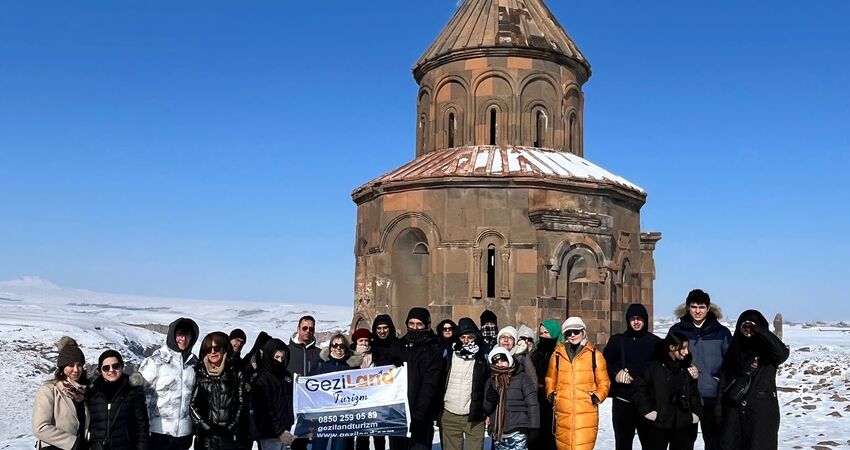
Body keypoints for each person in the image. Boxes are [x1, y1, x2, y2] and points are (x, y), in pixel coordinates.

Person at [717, 310, 789, 450]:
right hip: (733, 412)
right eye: (745, 327)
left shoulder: (769, 353)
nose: (748, 331)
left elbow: (782, 353)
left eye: (752, 327)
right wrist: (718, 412)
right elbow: (723, 382)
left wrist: (758, 330)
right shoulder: (734, 351)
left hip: (761, 413)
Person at [668, 289, 731, 450]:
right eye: (694, 306)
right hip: (685, 397)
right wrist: (683, 371)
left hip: (713, 398)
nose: (697, 311)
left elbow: (730, 364)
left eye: (701, 307)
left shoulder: (722, 333)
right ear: (687, 307)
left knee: (714, 443)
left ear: (708, 308)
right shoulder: (677, 331)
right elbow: (668, 360)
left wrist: (718, 380)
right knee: (682, 443)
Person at [603, 303, 662, 450]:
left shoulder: (655, 343)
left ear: (645, 320)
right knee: (623, 444)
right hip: (624, 401)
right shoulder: (617, 341)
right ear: (628, 320)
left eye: (640, 318)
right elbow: (603, 364)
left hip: (647, 402)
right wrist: (616, 374)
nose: (636, 322)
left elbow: (665, 367)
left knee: (651, 444)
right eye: (633, 318)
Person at [545, 317, 610, 450]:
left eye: (576, 331)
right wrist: (551, 393)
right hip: (563, 412)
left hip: (586, 413)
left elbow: (604, 381)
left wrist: (597, 396)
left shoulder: (595, 355)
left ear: (583, 332)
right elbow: (550, 378)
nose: (573, 335)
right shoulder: (557, 355)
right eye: (569, 333)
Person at [388, 307, 446, 450]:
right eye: (411, 324)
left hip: (421, 415)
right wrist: (390, 363)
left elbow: (430, 385)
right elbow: (384, 375)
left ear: (426, 325)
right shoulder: (398, 346)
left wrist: (419, 414)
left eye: (419, 324)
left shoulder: (433, 349)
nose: (415, 328)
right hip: (398, 413)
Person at [633, 332, 702, 450]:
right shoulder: (653, 367)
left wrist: (695, 412)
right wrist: (648, 411)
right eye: (683, 348)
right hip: (658, 424)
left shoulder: (686, 368)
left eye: (687, 348)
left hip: (683, 424)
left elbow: (694, 393)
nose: (686, 352)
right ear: (672, 347)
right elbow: (639, 390)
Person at [139, 317, 199, 450]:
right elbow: (142, 397)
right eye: (179, 334)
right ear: (172, 335)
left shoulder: (193, 364)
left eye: (187, 335)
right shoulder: (156, 361)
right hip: (159, 432)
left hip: (184, 434)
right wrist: (143, 430)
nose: (183, 339)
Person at [439, 317, 487, 450]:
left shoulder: (482, 358)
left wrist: (486, 410)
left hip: (474, 415)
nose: (466, 341)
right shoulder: (448, 354)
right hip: (450, 413)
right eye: (463, 337)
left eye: (470, 337)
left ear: (475, 338)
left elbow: (487, 385)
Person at [33, 336, 89, 450]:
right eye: (71, 365)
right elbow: (40, 428)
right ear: (62, 367)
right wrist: (73, 443)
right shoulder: (49, 390)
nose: (76, 370)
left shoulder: (85, 392)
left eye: (79, 365)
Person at [86, 349, 149, 450]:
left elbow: (142, 426)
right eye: (106, 368)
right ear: (100, 371)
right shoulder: (92, 392)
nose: (111, 370)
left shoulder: (133, 391)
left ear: (122, 367)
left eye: (116, 366)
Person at [191, 332, 244, 450]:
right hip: (205, 439)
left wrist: (231, 426)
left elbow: (241, 403)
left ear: (225, 348)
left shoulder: (235, 373)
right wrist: (205, 426)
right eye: (208, 349)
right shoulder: (199, 373)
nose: (213, 352)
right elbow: (192, 405)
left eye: (217, 348)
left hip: (228, 438)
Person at [310, 334, 362, 450]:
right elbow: (309, 385)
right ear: (330, 347)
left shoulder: (352, 367)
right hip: (322, 416)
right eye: (335, 345)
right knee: (318, 447)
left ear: (346, 348)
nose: (338, 348)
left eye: (342, 345)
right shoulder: (320, 364)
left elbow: (359, 389)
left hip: (343, 417)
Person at [483, 347, 540, 450]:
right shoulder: (490, 382)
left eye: (503, 361)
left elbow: (532, 405)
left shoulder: (522, 378)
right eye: (496, 362)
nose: (500, 365)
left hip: (518, 429)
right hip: (499, 432)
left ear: (509, 360)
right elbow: (487, 409)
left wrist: (534, 427)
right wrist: (490, 399)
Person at [251, 339, 297, 450]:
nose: (280, 361)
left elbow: (292, 402)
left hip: (289, 432)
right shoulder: (262, 379)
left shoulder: (286, 376)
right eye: (277, 357)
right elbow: (264, 411)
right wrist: (280, 431)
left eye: (282, 357)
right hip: (270, 435)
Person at [287, 316, 320, 450]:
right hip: (291, 408)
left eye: (311, 329)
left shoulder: (319, 354)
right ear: (298, 329)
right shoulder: (287, 351)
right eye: (304, 328)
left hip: (312, 409)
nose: (308, 331)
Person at [528, 320, 561, 450]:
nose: (543, 336)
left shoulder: (560, 353)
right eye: (541, 333)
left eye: (547, 332)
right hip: (536, 402)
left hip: (554, 403)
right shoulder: (535, 353)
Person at [369, 314, 398, 450]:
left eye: (385, 327)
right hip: (376, 397)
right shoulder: (371, 347)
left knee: (395, 433)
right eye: (379, 328)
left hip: (394, 397)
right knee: (378, 433)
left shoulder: (398, 345)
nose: (382, 331)